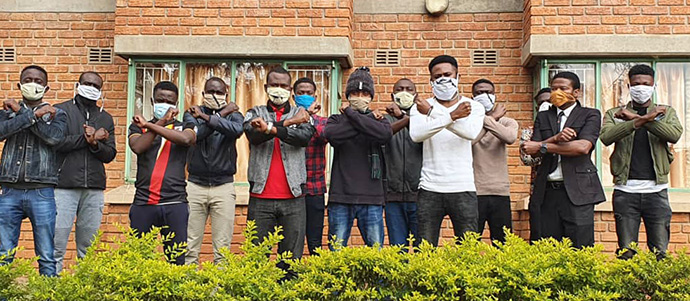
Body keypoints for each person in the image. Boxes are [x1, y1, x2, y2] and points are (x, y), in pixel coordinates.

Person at [600, 64, 683, 259]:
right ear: (629, 86)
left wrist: (643, 118)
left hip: (657, 192)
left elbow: (673, 135)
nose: (641, 87)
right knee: (627, 252)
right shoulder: (615, 114)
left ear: (654, 86)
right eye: (636, 84)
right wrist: (640, 120)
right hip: (625, 191)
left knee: (660, 253)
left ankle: (656, 291)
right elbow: (606, 137)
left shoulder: (666, 112)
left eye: (646, 84)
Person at [521, 71, 605, 248]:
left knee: (580, 247)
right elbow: (532, 152)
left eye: (563, 88)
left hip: (578, 191)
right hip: (547, 191)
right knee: (545, 247)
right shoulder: (544, 116)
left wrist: (543, 146)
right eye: (553, 88)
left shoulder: (590, 114)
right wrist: (554, 138)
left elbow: (582, 147)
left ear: (576, 92)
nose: (557, 92)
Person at [409, 55, 485, 246]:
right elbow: (417, 135)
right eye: (438, 76)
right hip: (429, 187)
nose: (443, 79)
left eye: (448, 74)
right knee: (425, 251)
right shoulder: (420, 106)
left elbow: (469, 132)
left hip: (463, 187)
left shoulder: (473, 106)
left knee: (468, 251)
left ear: (457, 76)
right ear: (431, 81)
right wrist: (452, 116)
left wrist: (433, 113)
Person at [243, 67, 314, 268]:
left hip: (294, 198)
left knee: (291, 261)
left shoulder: (301, 113)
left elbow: (303, 137)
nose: (278, 89)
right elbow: (253, 135)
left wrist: (270, 128)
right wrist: (289, 123)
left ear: (290, 89)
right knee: (256, 261)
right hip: (260, 197)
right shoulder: (254, 112)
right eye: (274, 85)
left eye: (283, 86)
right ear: (266, 87)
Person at [0, 65, 67, 276]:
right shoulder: (6, 112)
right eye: (28, 79)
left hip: (42, 191)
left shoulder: (58, 114)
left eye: (38, 81)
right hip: (9, 190)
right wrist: (30, 115)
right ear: (20, 85)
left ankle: (46, 296)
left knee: (46, 254)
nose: (33, 84)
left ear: (46, 88)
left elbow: (54, 138)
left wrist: (25, 114)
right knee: (4, 254)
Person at [53, 71, 116, 273]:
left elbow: (110, 154)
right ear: (77, 84)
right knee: (56, 245)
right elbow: (56, 143)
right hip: (63, 186)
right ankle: (50, 290)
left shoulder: (105, 118)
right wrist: (86, 138)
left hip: (94, 189)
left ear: (100, 90)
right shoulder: (60, 111)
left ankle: (84, 290)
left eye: (96, 85)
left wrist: (95, 143)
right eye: (87, 83)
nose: (91, 87)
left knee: (87, 248)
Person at [128, 81, 196, 265]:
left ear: (176, 104)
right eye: (160, 99)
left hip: (175, 203)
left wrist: (157, 125)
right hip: (143, 202)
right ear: (152, 100)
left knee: (176, 260)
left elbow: (186, 139)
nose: (164, 103)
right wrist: (158, 123)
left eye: (169, 101)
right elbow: (138, 147)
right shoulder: (138, 125)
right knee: (138, 260)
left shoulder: (185, 125)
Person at [324, 67, 392, 249]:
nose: (359, 96)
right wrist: (366, 122)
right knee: (336, 254)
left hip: (372, 198)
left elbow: (384, 134)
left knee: (376, 255)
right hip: (340, 197)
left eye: (364, 93)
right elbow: (332, 135)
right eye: (355, 92)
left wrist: (351, 114)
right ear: (348, 95)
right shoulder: (336, 120)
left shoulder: (380, 120)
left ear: (371, 96)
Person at [183, 77, 244, 265]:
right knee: (189, 246)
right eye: (210, 91)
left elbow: (237, 131)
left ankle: (218, 293)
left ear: (225, 94)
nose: (214, 95)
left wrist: (212, 118)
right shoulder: (191, 113)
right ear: (203, 94)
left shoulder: (236, 115)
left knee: (222, 249)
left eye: (219, 92)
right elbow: (196, 135)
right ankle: (189, 289)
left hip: (223, 187)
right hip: (194, 186)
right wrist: (221, 114)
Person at [471, 78, 518, 244]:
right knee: (469, 245)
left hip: (500, 191)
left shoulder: (507, 122)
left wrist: (489, 118)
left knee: (502, 244)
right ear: (472, 97)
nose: (484, 95)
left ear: (494, 95)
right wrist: (491, 117)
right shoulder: (468, 123)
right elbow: (469, 140)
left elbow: (510, 137)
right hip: (473, 191)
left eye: (488, 92)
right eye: (479, 93)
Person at [383, 78, 422, 248]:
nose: (404, 92)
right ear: (393, 94)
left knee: (425, 251)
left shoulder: (425, 120)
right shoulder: (383, 121)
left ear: (416, 95)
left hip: (421, 197)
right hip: (392, 197)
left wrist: (404, 117)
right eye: (400, 89)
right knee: (398, 250)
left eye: (409, 89)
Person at [292, 77, 328, 255]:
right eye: (300, 93)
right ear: (293, 96)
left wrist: (309, 117)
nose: (305, 96)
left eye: (308, 93)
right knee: (292, 240)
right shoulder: (288, 120)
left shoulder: (322, 121)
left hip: (315, 189)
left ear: (315, 97)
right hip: (291, 190)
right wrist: (300, 117)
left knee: (315, 241)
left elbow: (324, 136)